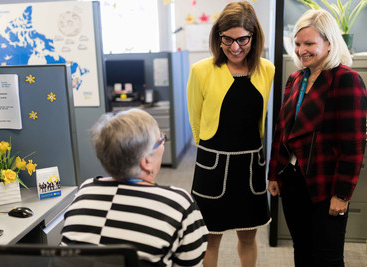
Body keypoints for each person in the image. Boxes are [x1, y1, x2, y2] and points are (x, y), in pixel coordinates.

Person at [268, 9, 367, 267]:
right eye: (298, 44)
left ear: (329, 43)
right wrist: (274, 173)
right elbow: (282, 130)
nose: (302, 50)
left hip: (326, 185)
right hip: (292, 180)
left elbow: (353, 145)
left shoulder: (346, 80)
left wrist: (342, 195)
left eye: (310, 43)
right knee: (302, 250)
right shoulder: (296, 78)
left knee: (327, 258)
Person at [186, 2, 275, 266]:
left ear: (254, 37)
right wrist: (205, 149)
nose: (235, 47)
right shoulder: (201, 70)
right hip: (212, 165)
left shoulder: (267, 69)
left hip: (250, 167)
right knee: (210, 238)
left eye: (242, 39)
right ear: (218, 37)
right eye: (227, 39)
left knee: (248, 236)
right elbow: (196, 119)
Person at [61, 108, 208, 266]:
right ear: (146, 161)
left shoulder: (86, 190)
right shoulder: (178, 204)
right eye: (161, 139)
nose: (164, 143)